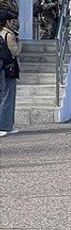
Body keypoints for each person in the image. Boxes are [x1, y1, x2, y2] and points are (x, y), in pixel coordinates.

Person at [0, 8, 19, 136]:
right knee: (8, 97)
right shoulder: (9, 35)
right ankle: (6, 125)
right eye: (10, 20)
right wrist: (20, 43)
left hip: (3, 68)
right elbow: (15, 52)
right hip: (8, 69)